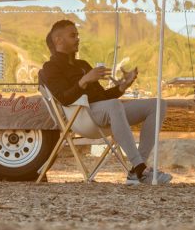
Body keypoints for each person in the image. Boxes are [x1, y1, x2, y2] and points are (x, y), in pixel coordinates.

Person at [39, 19, 171, 186]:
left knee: (158, 105)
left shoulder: (83, 64)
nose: (78, 39)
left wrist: (122, 86)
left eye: (78, 35)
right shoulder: (50, 67)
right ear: (58, 40)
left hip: (102, 112)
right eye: (73, 35)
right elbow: (64, 98)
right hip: (80, 117)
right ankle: (140, 168)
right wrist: (85, 80)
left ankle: (138, 169)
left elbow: (102, 97)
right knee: (114, 106)